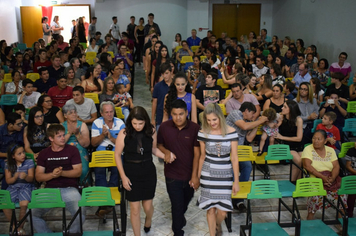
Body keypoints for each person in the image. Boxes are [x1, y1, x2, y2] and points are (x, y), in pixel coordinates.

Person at [115, 106, 164, 235]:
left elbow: (153, 149)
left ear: (145, 122)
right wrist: (123, 177)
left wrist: (166, 156)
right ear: (130, 121)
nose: (137, 126)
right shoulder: (124, 133)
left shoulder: (151, 130)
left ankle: (149, 219)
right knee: (135, 209)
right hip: (131, 172)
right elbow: (117, 155)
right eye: (134, 123)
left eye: (140, 123)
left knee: (147, 206)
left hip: (148, 170)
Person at [157, 99, 200, 236]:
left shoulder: (195, 128)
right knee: (176, 205)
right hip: (172, 174)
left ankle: (180, 218)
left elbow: (197, 154)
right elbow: (159, 145)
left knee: (186, 201)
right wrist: (166, 152)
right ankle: (177, 231)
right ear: (171, 114)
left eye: (181, 114)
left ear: (186, 113)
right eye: (174, 114)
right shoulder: (164, 127)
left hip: (189, 174)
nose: (178, 117)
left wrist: (195, 176)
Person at [197, 103, 239, 236]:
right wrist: (198, 177)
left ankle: (217, 224)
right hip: (208, 173)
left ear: (220, 117)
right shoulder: (203, 132)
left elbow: (234, 158)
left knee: (223, 211)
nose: (211, 123)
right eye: (208, 120)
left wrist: (236, 181)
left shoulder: (231, 132)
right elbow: (202, 156)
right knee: (210, 209)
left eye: (214, 119)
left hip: (225, 174)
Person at [33, 124, 84, 233]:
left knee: (81, 211)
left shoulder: (72, 150)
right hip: (49, 189)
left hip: (69, 188)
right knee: (31, 213)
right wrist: (52, 175)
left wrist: (61, 173)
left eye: (63, 135)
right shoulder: (44, 153)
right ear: (51, 138)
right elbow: (38, 176)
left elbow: (78, 172)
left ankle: (71, 233)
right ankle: (47, 234)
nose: (63, 138)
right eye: (59, 136)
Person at [225, 102, 268, 211]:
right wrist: (258, 120)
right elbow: (243, 126)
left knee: (247, 166)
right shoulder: (235, 113)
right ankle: (235, 198)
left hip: (239, 151)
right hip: (227, 150)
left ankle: (239, 197)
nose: (253, 116)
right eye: (252, 113)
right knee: (232, 172)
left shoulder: (249, 121)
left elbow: (249, 139)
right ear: (246, 111)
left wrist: (257, 124)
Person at [301, 130, 347, 220]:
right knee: (315, 196)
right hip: (315, 180)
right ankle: (310, 223)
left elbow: (336, 166)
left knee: (341, 195)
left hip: (330, 178)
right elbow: (307, 165)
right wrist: (322, 177)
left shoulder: (330, 150)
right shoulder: (308, 149)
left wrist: (332, 178)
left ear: (325, 141)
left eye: (319, 139)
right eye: (314, 138)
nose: (316, 141)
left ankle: (341, 224)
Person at [91, 101, 125, 218]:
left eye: (111, 112)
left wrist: (110, 137)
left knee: (117, 170)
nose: (110, 114)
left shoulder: (120, 123)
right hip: (101, 150)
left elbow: (123, 143)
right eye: (107, 112)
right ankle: (104, 200)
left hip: (116, 149)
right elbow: (94, 143)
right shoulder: (97, 122)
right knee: (99, 171)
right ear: (101, 113)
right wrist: (102, 135)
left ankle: (109, 198)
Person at [3, 143, 35, 235]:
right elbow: (8, 181)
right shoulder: (8, 164)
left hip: (26, 186)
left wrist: (25, 177)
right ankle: (14, 226)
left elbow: (31, 178)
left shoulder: (29, 162)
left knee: (24, 204)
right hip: (13, 187)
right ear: (13, 156)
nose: (23, 155)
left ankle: (20, 227)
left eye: (23, 152)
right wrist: (14, 177)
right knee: (6, 203)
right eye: (19, 154)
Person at [62, 104, 90, 185]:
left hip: (80, 148)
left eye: (75, 112)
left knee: (83, 169)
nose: (74, 114)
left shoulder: (82, 125)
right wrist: (70, 133)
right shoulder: (61, 126)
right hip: (65, 149)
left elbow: (86, 144)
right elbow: (60, 143)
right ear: (65, 115)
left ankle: (84, 187)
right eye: (70, 113)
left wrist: (77, 135)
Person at [275, 100, 303, 181]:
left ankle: (299, 183)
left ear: (290, 109)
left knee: (303, 160)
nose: (282, 108)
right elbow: (273, 131)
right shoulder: (280, 117)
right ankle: (292, 182)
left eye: (284, 107)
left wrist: (282, 137)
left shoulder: (298, 120)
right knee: (298, 160)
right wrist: (279, 123)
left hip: (298, 145)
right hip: (286, 146)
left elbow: (299, 138)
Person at [0, 113, 25, 190]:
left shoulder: (21, 130)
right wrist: (9, 156)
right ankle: (5, 193)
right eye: (19, 124)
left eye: (22, 123)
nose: (21, 125)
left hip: (17, 156)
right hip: (3, 157)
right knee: (9, 169)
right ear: (10, 125)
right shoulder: (0, 131)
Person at [152, 63, 173, 131]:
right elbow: (154, 102)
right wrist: (152, 119)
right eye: (163, 74)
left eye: (167, 73)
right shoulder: (158, 86)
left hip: (174, 116)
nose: (165, 76)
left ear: (171, 72)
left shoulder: (176, 85)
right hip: (160, 117)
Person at [344, 143, 356, 217]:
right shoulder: (351, 151)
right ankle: (349, 213)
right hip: (353, 174)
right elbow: (348, 166)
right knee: (353, 192)